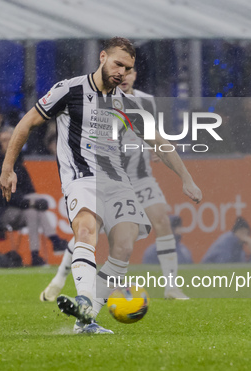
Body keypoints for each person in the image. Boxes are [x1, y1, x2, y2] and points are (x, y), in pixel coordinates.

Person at [0, 37, 202, 334]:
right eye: (118, 63)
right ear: (103, 57)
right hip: (81, 177)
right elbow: (27, 122)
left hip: (117, 180)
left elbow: (158, 141)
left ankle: (86, 316)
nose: (122, 71)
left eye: (128, 67)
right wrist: (8, 168)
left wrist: (187, 178)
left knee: (124, 243)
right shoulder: (69, 90)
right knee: (86, 230)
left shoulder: (125, 103)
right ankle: (84, 298)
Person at [40, 67, 191, 301]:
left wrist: (159, 147)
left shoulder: (147, 102)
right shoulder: (102, 101)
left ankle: (171, 286)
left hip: (140, 176)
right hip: (109, 178)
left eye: (129, 72)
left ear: (135, 76)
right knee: (89, 231)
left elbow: (155, 134)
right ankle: (59, 280)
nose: (124, 77)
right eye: (120, 71)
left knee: (161, 218)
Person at [0, 129, 68, 266]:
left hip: (19, 209)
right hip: (1, 212)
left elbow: (30, 190)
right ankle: (54, 241)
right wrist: (27, 201)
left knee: (32, 211)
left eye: (9, 139)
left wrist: (32, 201)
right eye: (3, 140)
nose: (6, 143)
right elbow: (2, 194)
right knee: (33, 208)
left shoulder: (18, 163)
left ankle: (36, 256)